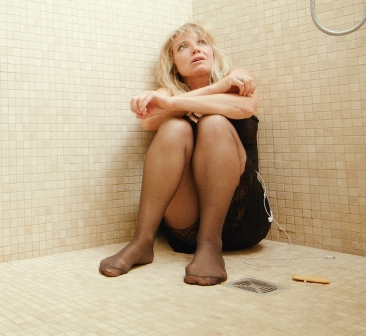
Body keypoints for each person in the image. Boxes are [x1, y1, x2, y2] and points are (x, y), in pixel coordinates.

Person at [99, 22, 270, 286]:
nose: (196, 50)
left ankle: (211, 244)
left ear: (212, 52)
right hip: (186, 228)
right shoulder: (169, 92)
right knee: (173, 127)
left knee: (213, 122)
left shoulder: (237, 76)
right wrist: (213, 89)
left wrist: (174, 104)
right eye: (183, 46)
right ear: (173, 64)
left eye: (202, 42)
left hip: (243, 218)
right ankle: (142, 242)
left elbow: (245, 108)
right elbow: (149, 120)